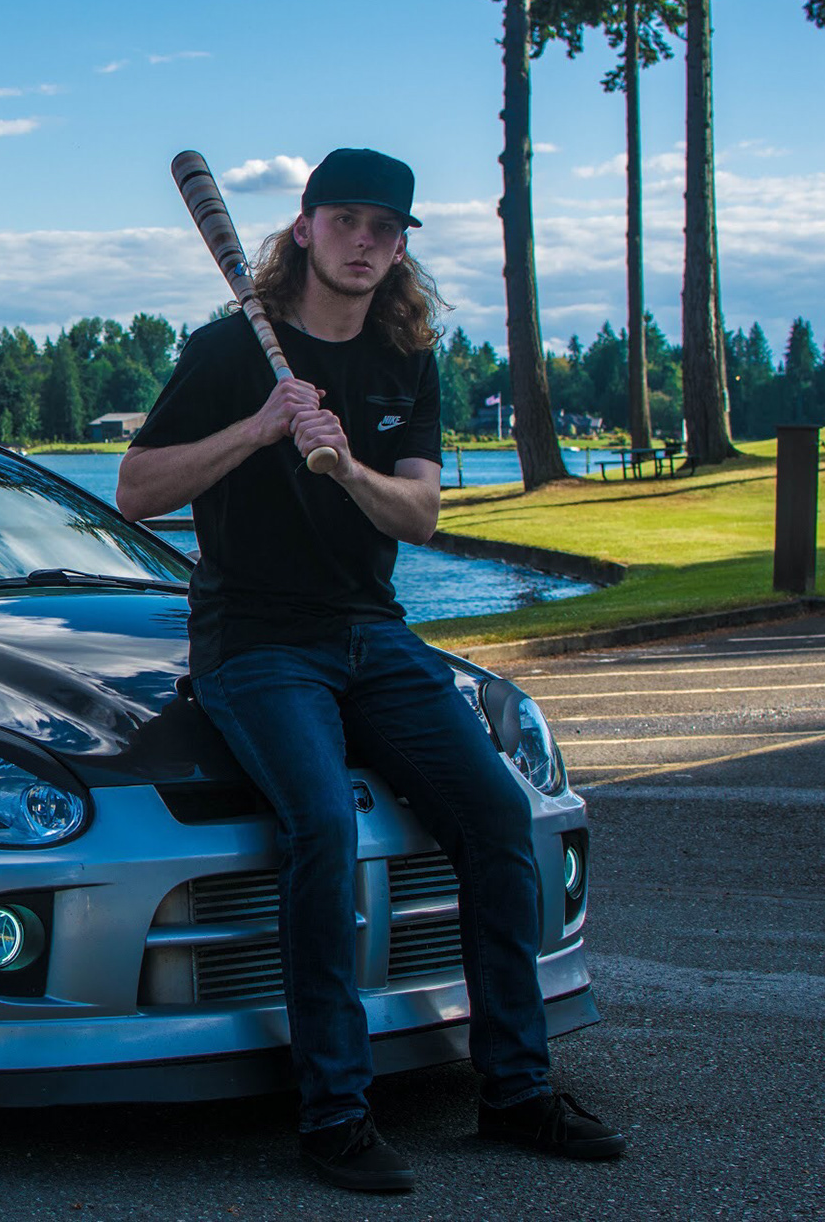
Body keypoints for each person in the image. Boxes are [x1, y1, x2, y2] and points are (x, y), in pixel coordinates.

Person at [117, 148, 625, 1193]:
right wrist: (259, 428)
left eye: (385, 229)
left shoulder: (405, 356)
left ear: (400, 249)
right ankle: (335, 1113)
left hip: (372, 632)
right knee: (322, 824)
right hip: (255, 639)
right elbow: (136, 490)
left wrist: (347, 466)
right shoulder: (228, 350)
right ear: (304, 228)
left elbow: (421, 513)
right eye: (345, 219)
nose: (364, 241)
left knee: (497, 815)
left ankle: (516, 1088)